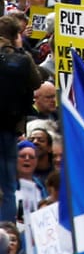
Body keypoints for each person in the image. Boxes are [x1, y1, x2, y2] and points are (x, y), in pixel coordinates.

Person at [0, 16, 41, 223]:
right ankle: (6, 230)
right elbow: (36, 82)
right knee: (7, 185)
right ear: (16, 36)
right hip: (8, 128)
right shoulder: (21, 59)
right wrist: (22, 50)